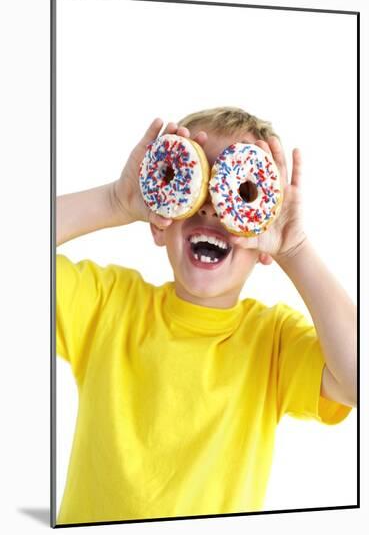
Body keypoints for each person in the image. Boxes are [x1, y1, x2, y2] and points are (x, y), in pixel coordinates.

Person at [56, 106, 356, 525]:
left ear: (262, 242)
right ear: (160, 225)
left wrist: (294, 249)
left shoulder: (271, 342)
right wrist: (113, 202)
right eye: (193, 185)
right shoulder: (107, 304)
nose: (212, 208)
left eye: (238, 193)